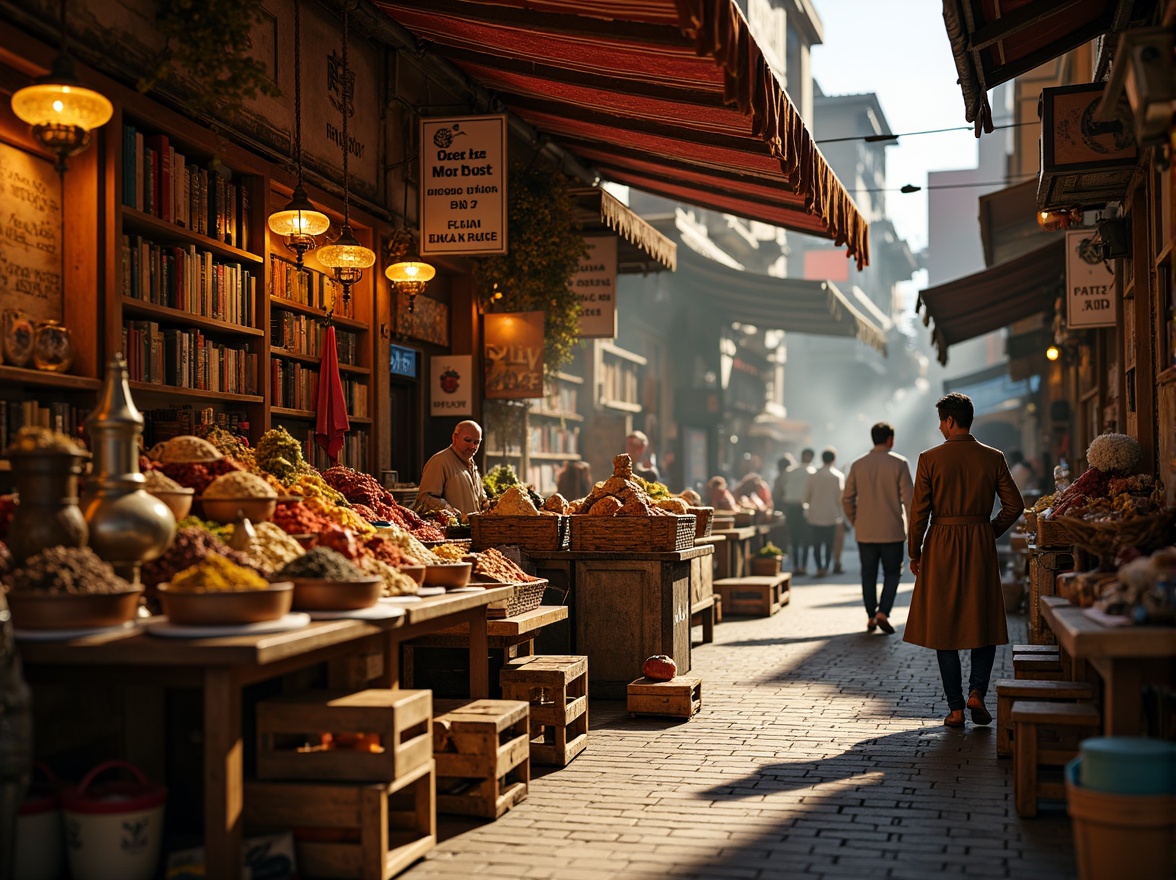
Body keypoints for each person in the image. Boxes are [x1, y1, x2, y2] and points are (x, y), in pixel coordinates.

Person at [905, 393, 1023, 729]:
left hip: (941, 543)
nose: (940, 427)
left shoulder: (929, 458)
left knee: (945, 627)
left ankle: (955, 710)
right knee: (982, 621)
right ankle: (977, 692)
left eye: (942, 420)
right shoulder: (994, 457)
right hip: (979, 545)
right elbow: (1015, 506)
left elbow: (919, 514)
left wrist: (916, 552)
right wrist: (989, 531)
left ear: (951, 421)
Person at [841, 422, 914, 635]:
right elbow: (909, 501)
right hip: (892, 530)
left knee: (868, 574)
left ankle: (871, 616)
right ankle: (884, 612)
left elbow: (846, 498)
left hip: (865, 530)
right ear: (890, 439)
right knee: (892, 573)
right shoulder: (899, 463)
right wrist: (911, 530)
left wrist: (855, 520)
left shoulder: (858, 464)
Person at [414, 419, 488, 517]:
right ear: (455, 438)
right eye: (468, 440)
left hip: (471, 530)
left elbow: (481, 500)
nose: (472, 446)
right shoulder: (439, 461)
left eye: (477, 442)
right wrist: (450, 511)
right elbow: (426, 499)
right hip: (449, 531)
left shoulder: (472, 465)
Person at [803, 448, 844, 578]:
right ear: (833, 459)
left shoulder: (813, 475)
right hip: (831, 515)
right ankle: (826, 566)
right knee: (829, 543)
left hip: (815, 514)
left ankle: (819, 567)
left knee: (816, 544)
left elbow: (806, 496)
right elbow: (840, 498)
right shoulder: (837, 476)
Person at [781, 449, 816, 575]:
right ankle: (803, 566)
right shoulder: (813, 472)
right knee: (805, 538)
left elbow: (783, 488)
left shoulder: (790, 471)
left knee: (795, 538)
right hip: (805, 508)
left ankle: (796, 566)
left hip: (791, 507)